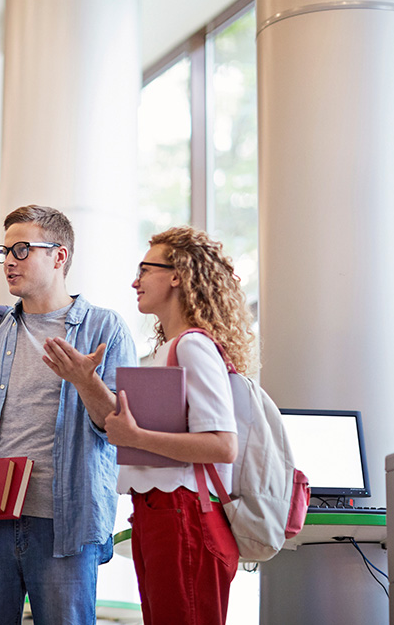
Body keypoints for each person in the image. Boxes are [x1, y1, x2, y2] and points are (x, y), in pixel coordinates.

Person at [0, 205, 137, 625]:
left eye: (22, 249)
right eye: (4, 251)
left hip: (65, 526)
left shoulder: (105, 328)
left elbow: (119, 428)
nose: (9, 261)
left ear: (59, 256)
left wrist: (85, 380)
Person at [104, 226, 254, 624]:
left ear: (177, 275)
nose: (135, 281)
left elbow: (223, 445)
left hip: (183, 513)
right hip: (161, 512)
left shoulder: (192, 345)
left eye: (145, 269)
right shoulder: (169, 349)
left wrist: (135, 437)